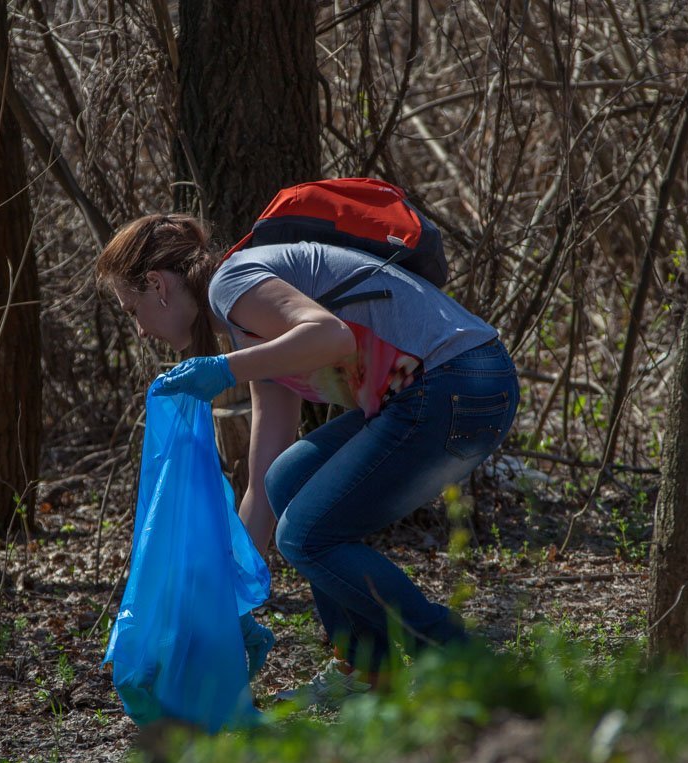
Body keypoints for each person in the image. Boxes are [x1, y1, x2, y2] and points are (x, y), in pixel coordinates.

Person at [97, 212, 518, 706]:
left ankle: (458, 656)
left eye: (132, 310)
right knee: (288, 479)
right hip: (444, 391)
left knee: (306, 535)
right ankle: (369, 670)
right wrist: (228, 607)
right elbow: (261, 486)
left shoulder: (232, 283)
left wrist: (224, 370)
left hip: (460, 383)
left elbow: (331, 336)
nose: (141, 331)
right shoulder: (244, 330)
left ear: (156, 284)